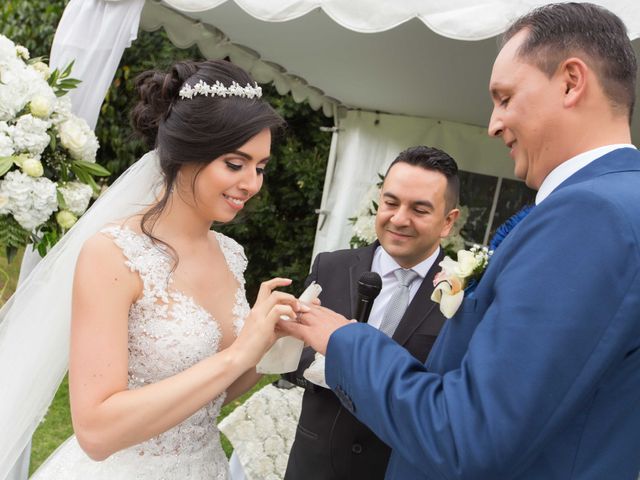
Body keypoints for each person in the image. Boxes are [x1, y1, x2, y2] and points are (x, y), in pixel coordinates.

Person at [280, 3, 640, 479]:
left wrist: (345, 340)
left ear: (571, 82)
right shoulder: (619, 199)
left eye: (505, 98)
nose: (492, 124)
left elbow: (467, 434)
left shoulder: (590, 216)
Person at [10, 59, 302, 479]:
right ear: (187, 154)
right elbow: (95, 430)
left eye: (260, 168)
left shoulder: (230, 253)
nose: (252, 184)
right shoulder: (114, 254)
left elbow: (213, 394)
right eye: (235, 165)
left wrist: (263, 346)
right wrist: (238, 353)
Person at [283, 146, 459, 479]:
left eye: (419, 209)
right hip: (316, 463)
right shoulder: (331, 266)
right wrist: (331, 356)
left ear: (448, 221)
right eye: (391, 203)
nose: (399, 218)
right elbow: (291, 360)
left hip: (397, 466)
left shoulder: (463, 294)